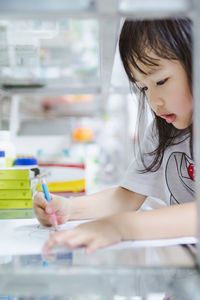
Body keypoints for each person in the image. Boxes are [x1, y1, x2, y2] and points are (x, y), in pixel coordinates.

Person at [34, 18, 197, 254]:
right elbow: (128, 196)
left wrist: (120, 227)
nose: (153, 102)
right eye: (143, 88)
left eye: (161, 81)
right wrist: (68, 209)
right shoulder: (163, 130)